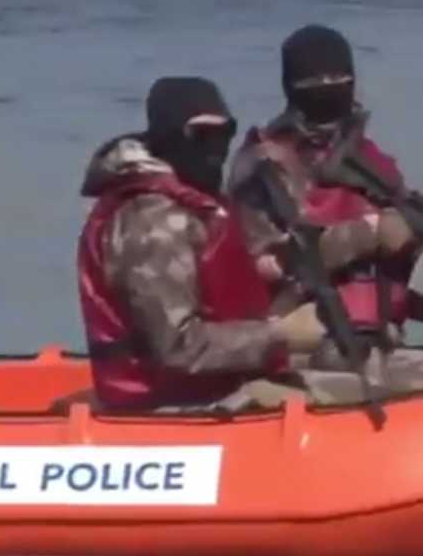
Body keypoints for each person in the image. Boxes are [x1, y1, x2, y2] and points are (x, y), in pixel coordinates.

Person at [224, 24, 423, 387]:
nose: (329, 87)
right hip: (298, 354)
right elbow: (265, 268)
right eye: (316, 81)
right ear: (292, 88)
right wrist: (369, 234)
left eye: (339, 78)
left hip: (378, 349)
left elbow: (409, 289)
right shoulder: (263, 166)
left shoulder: (372, 164)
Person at [76, 76, 329, 412]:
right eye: (202, 134)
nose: (216, 147)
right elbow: (177, 347)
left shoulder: (196, 204)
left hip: (219, 382)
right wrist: (280, 335)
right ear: (170, 136)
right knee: (341, 395)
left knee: (347, 369)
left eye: (225, 133)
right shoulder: (151, 222)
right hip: (164, 402)